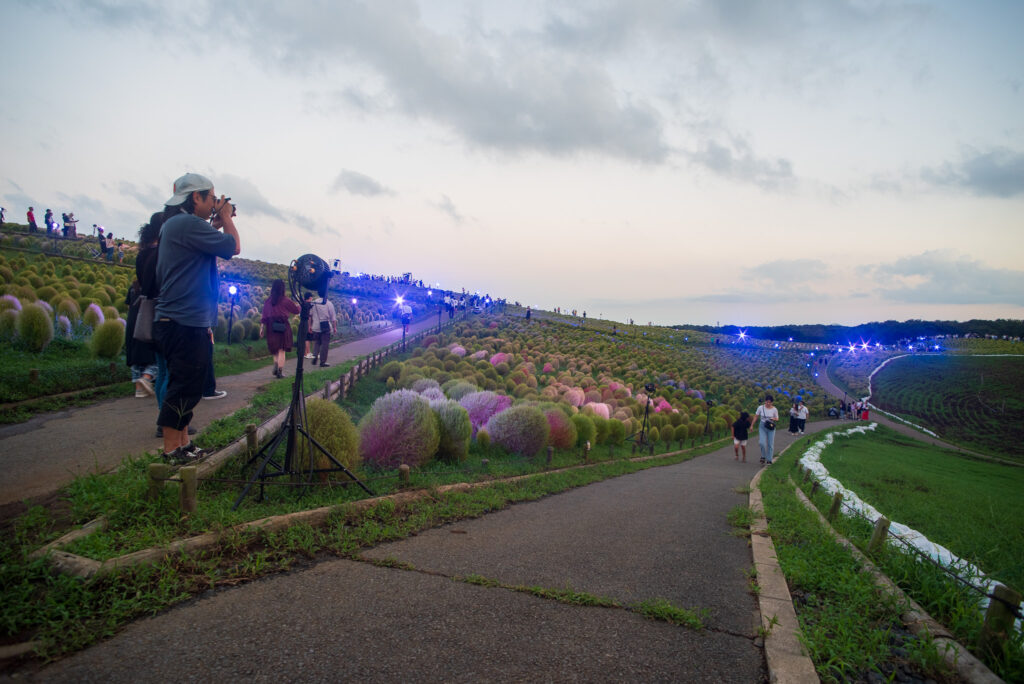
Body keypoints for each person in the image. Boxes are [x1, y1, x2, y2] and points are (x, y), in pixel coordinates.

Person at [153, 173, 240, 464]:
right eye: (212, 198)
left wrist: (215, 223)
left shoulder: (178, 225)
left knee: (190, 386)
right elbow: (232, 247)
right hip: (183, 321)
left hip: (186, 320)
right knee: (182, 386)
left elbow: (208, 246)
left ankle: (183, 445)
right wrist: (226, 217)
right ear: (196, 198)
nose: (216, 203)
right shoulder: (186, 224)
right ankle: (169, 451)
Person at [125, 278, 158, 398]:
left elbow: (129, 306)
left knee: (135, 358)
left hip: (132, 325)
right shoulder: (154, 285)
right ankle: (146, 378)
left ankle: (139, 390)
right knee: (155, 357)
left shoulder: (133, 287)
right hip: (146, 325)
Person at [260, 278, 299, 378]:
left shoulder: (268, 301)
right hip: (283, 326)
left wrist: (261, 328)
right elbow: (296, 311)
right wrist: (299, 305)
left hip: (271, 326)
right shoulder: (285, 300)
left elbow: (264, 315)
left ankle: (276, 364)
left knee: (275, 349)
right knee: (282, 349)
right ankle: (280, 371)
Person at [309, 293, 337, 367]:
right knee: (325, 344)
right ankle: (322, 362)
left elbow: (310, 316)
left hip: (315, 326)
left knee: (317, 342)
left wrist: (310, 326)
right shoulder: (329, 304)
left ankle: (315, 355)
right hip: (325, 327)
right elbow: (333, 318)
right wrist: (334, 328)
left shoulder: (314, 302)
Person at [751, 394, 779, 465]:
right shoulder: (760, 408)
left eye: (770, 402)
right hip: (762, 426)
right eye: (767, 402)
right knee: (762, 442)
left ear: (772, 402)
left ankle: (769, 459)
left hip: (771, 427)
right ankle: (763, 456)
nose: (768, 403)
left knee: (770, 444)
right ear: (765, 401)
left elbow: (777, 418)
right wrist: (752, 425)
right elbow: (756, 416)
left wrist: (773, 418)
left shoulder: (774, 409)